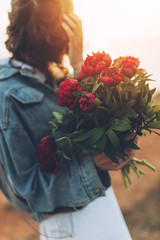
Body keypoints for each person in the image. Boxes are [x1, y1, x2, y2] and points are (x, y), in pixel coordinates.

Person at [0, 0, 135, 239]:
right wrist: (93, 164)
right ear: (47, 31)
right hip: (67, 224)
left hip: (102, 206)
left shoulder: (57, 75)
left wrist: (76, 62)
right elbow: (27, 187)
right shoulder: (7, 94)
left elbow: (88, 131)